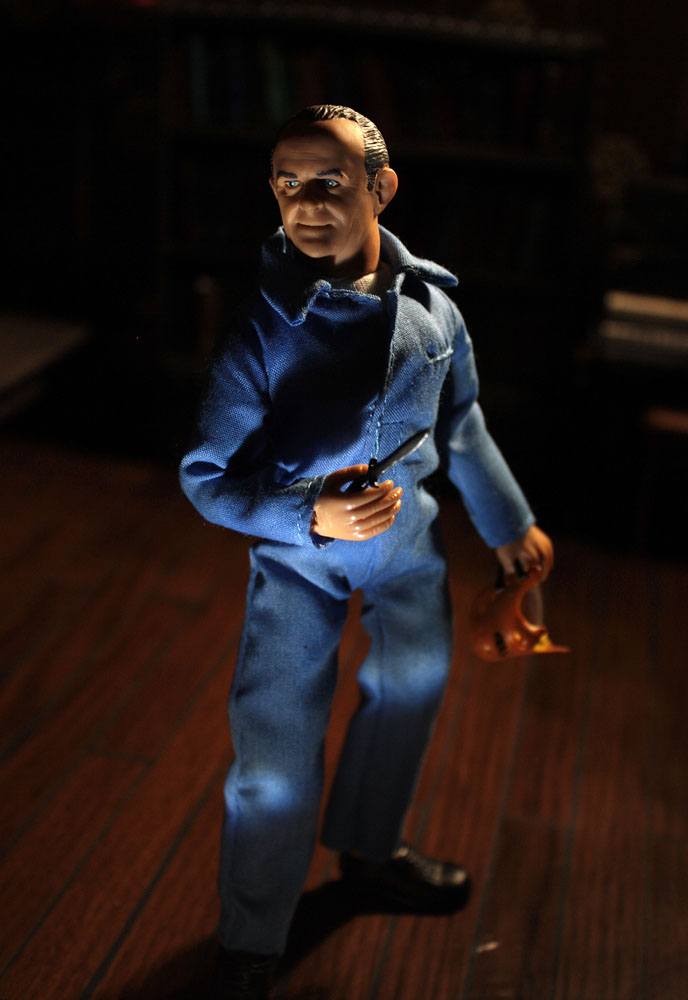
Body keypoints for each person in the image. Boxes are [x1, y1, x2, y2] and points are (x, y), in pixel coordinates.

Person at [179, 105, 553, 998]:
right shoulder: (263, 331)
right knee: (274, 750)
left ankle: (371, 849)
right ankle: (253, 937)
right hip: (297, 563)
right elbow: (207, 477)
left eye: (330, 184)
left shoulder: (435, 310)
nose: (306, 205)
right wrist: (308, 516)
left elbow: (462, 425)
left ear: (381, 188)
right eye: (287, 184)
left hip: (408, 546)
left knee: (413, 688)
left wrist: (509, 524)